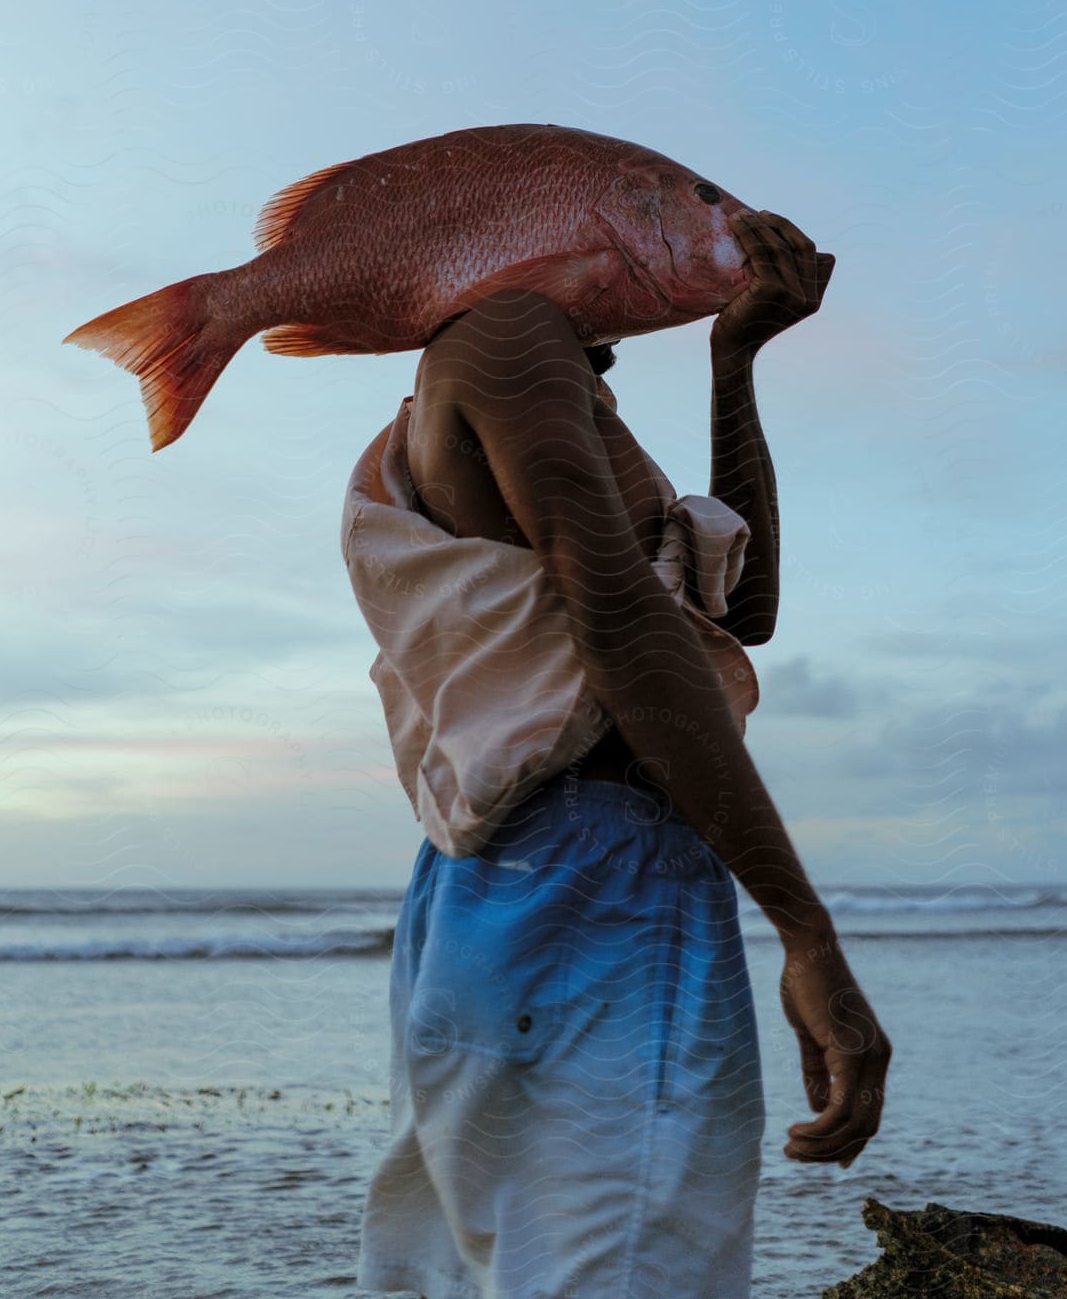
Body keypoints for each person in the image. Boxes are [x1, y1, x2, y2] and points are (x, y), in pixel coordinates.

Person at [342, 207, 891, 1298]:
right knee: (629, 1263)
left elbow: (746, 608)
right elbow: (629, 632)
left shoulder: (547, 376)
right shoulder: (509, 337)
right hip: (589, 875)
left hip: (515, 884)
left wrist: (735, 361)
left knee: (486, 1263)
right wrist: (806, 933)